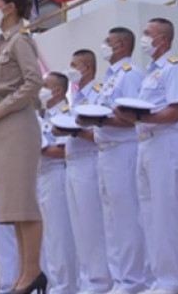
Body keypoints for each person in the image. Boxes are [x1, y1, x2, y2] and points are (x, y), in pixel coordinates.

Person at [0, 0, 45, 294]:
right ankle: (24, 272)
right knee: (13, 206)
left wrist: (1, 108)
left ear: (10, 7)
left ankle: (33, 271)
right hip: (4, 125)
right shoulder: (3, 43)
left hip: (18, 123)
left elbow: (33, 81)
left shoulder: (20, 41)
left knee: (23, 202)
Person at [121, 18, 178, 294]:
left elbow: (175, 111)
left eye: (148, 34)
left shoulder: (173, 68)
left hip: (165, 142)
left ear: (162, 39)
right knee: (149, 215)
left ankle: (174, 281)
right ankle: (159, 278)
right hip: (146, 143)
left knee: (167, 213)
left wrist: (139, 117)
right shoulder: (151, 72)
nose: (144, 38)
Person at [83, 27, 146, 294]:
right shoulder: (110, 77)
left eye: (108, 42)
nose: (104, 46)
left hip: (123, 148)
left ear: (120, 45)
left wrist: (100, 120)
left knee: (126, 217)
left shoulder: (130, 74)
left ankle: (133, 280)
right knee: (110, 220)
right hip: (105, 150)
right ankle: (119, 279)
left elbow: (132, 118)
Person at [63, 49, 112, 294]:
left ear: (88, 68)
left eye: (75, 65)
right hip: (72, 161)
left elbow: (101, 130)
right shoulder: (76, 97)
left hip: (89, 159)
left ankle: (100, 281)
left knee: (92, 224)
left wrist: (74, 132)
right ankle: (87, 279)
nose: (70, 69)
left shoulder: (97, 93)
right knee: (79, 226)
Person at [37, 71, 77, 294]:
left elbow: (63, 149)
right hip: (41, 176)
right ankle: (52, 283)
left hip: (56, 174)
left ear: (58, 90)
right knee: (47, 236)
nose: (40, 90)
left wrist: (39, 149)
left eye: (45, 85)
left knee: (59, 234)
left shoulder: (65, 114)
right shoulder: (44, 115)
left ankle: (65, 284)